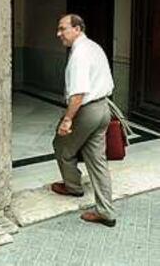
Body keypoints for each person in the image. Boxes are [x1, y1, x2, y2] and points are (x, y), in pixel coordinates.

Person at [51, 14, 116, 227]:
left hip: (87, 110)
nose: (59, 33)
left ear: (77, 28)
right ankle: (106, 211)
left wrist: (67, 120)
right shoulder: (94, 47)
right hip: (103, 108)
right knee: (98, 161)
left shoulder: (79, 53)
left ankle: (73, 186)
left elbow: (78, 94)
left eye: (63, 28)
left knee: (62, 146)